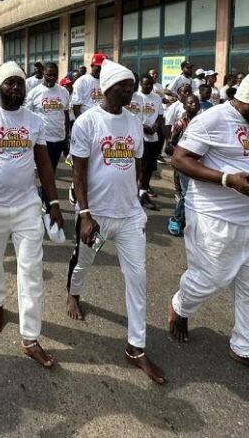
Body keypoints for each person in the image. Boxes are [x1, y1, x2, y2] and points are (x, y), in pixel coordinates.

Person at [168, 60, 249, 383]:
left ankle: (244, 348)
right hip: (214, 220)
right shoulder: (213, 119)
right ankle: (180, 306)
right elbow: (179, 160)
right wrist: (227, 180)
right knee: (211, 279)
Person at [64, 60, 166, 384]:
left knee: (138, 277)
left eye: (132, 84)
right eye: (124, 85)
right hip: (95, 216)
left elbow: (135, 164)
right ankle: (73, 294)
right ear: (107, 87)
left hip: (129, 216)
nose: (130, 90)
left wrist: (133, 195)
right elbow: (78, 173)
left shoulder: (135, 122)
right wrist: (84, 215)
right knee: (83, 263)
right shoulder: (87, 122)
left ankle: (136, 347)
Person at [0, 61, 63, 367]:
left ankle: (30, 337)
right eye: (9, 83)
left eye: (19, 83)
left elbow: (44, 164)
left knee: (31, 270)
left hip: (27, 206)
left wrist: (55, 202)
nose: (15, 88)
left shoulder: (35, 121)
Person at [165, 94, 201, 237]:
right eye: (191, 103)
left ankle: (189, 221)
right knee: (187, 193)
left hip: (198, 162)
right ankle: (176, 219)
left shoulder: (202, 121)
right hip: (184, 162)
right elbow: (172, 143)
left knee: (194, 194)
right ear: (185, 106)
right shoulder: (180, 123)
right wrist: (177, 153)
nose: (194, 105)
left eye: (196, 102)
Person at [27, 62, 71, 173]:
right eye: (49, 75)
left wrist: (66, 136)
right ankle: (44, 189)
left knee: (53, 168)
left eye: (55, 75)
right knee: (44, 168)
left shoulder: (64, 92)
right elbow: (27, 117)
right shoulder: (34, 93)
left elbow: (66, 115)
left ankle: (45, 189)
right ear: (43, 73)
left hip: (59, 137)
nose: (52, 78)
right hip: (42, 138)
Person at [134, 74, 164, 204]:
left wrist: (155, 126)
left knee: (150, 167)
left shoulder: (156, 98)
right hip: (140, 137)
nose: (148, 86)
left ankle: (144, 191)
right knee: (143, 166)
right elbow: (131, 117)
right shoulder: (136, 98)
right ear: (141, 84)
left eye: (150, 84)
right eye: (145, 84)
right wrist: (143, 127)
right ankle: (139, 192)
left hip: (153, 136)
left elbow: (160, 115)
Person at [71, 53, 105, 118]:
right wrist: (81, 124)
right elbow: (76, 107)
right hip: (88, 122)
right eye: (99, 67)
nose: (101, 69)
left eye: (104, 67)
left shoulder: (107, 81)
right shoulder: (82, 81)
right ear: (92, 66)